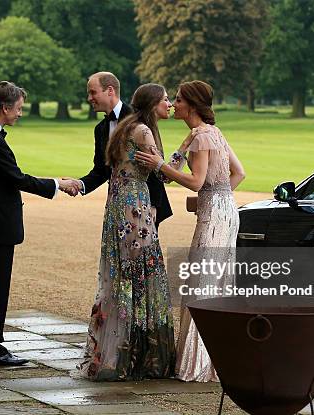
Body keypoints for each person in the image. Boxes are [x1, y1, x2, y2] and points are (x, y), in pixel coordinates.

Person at [0, 81, 78, 366]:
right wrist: (58, 184)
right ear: (5, 107)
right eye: (19, 108)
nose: (21, 113)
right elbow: (17, 177)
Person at [135, 80, 245, 382]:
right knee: (215, 283)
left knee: (202, 285)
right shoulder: (210, 133)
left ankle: (198, 367)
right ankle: (215, 361)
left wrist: (159, 164)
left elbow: (195, 180)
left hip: (214, 218)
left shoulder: (202, 137)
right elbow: (239, 173)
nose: (174, 104)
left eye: (179, 100)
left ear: (192, 106)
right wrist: (212, 195)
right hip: (226, 211)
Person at [76, 83, 176, 381]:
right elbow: (165, 174)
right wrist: (184, 150)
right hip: (135, 210)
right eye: (166, 100)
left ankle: (116, 352)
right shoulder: (143, 130)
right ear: (154, 103)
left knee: (122, 275)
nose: (169, 104)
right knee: (142, 277)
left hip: (117, 207)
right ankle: (140, 357)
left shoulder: (125, 126)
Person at [64, 72, 172, 228]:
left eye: (93, 92)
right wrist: (80, 184)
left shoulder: (138, 119)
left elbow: (154, 163)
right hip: (117, 203)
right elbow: (102, 170)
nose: (89, 98)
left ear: (110, 90)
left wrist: (154, 204)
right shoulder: (100, 129)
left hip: (145, 204)